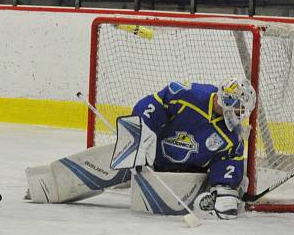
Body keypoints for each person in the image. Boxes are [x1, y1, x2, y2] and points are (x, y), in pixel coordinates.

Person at [25, 79, 256, 220]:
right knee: (109, 165)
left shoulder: (232, 136)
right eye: (239, 108)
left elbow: (230, 160)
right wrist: (141, 132)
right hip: (149, 150)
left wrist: (225, 191)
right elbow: (154, 103)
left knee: (154, 205)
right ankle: (48, 184)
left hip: (178, 173)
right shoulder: (190, 96)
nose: (240, 114)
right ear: (228, 100)